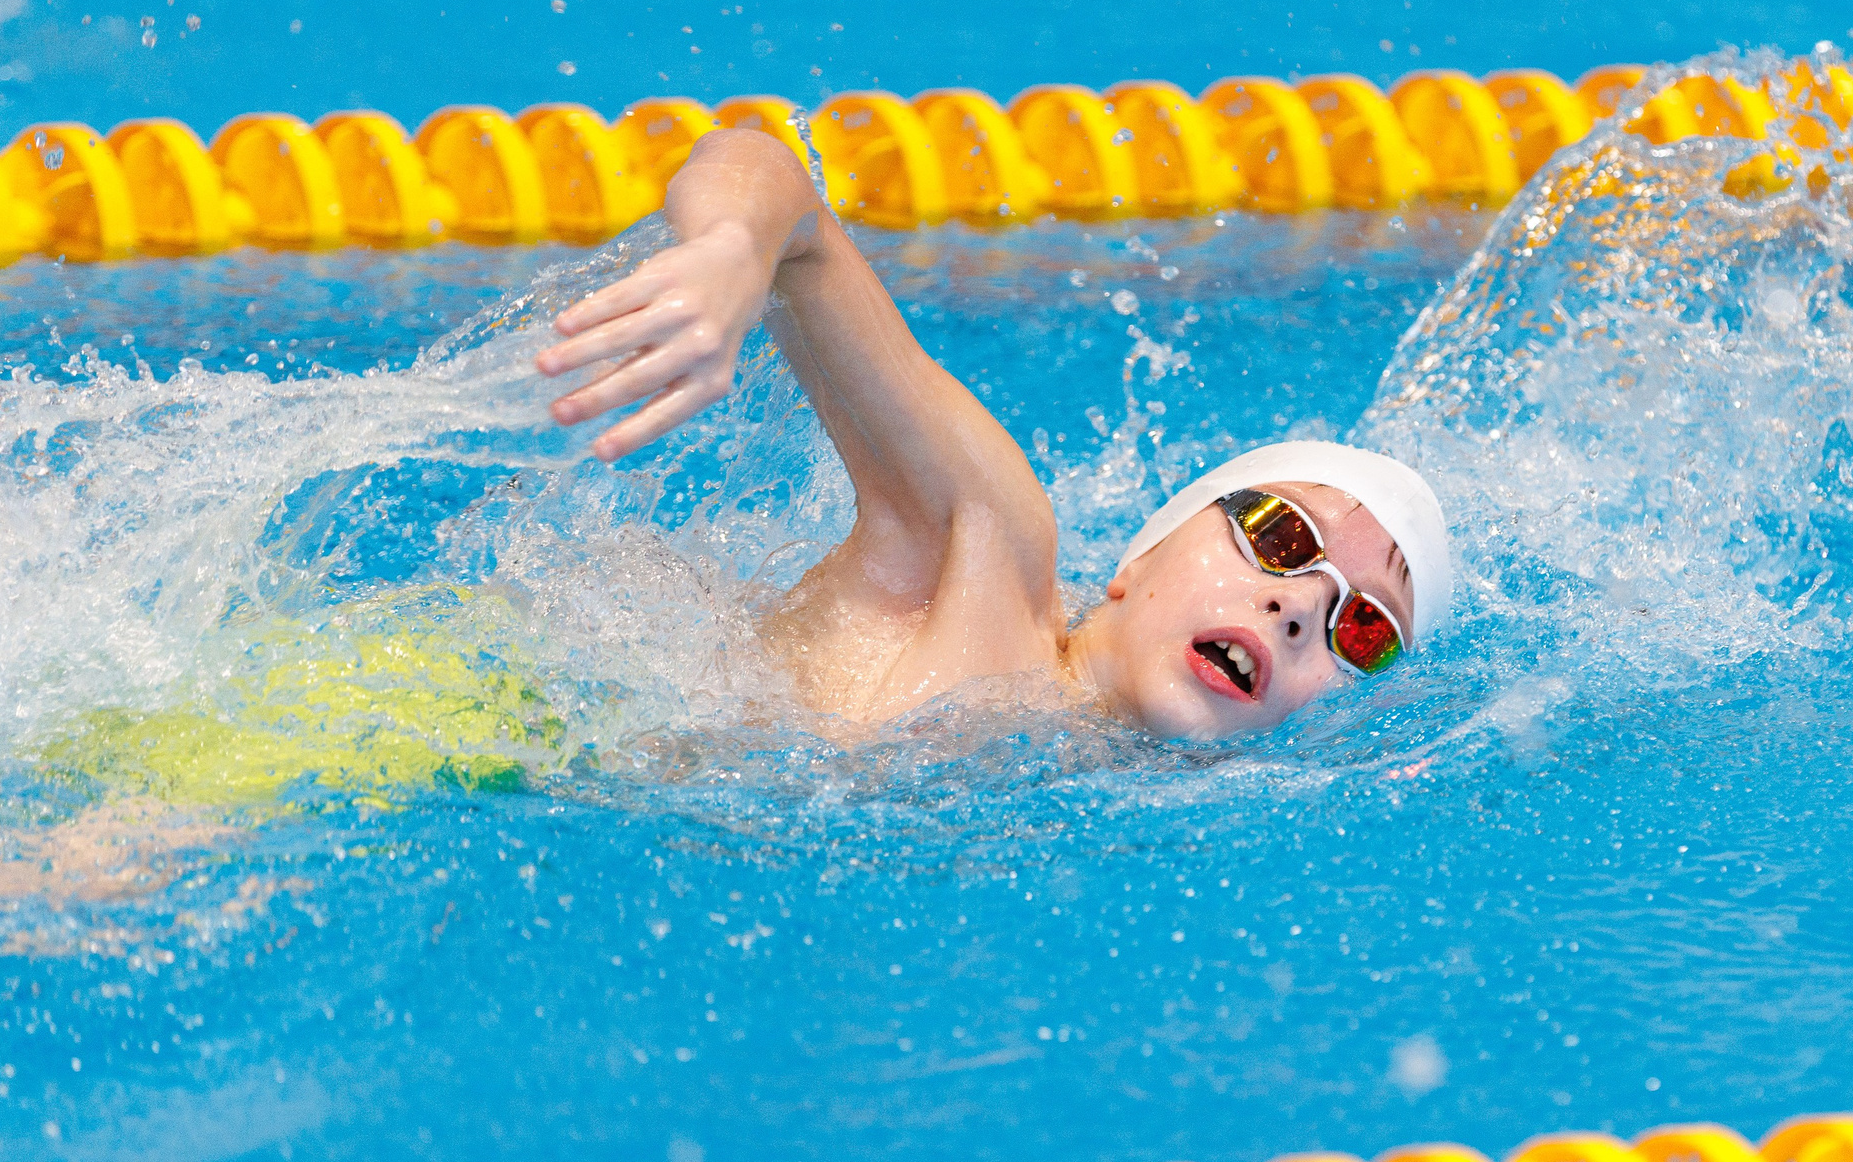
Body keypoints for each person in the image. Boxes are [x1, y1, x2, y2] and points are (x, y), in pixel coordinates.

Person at [534, 126, 1453, 741]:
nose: (1299, 609)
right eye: (1280, 537)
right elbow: (775, 181)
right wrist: (733, 250)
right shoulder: (990, 558)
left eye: (1363, 628)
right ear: (1136, 565)